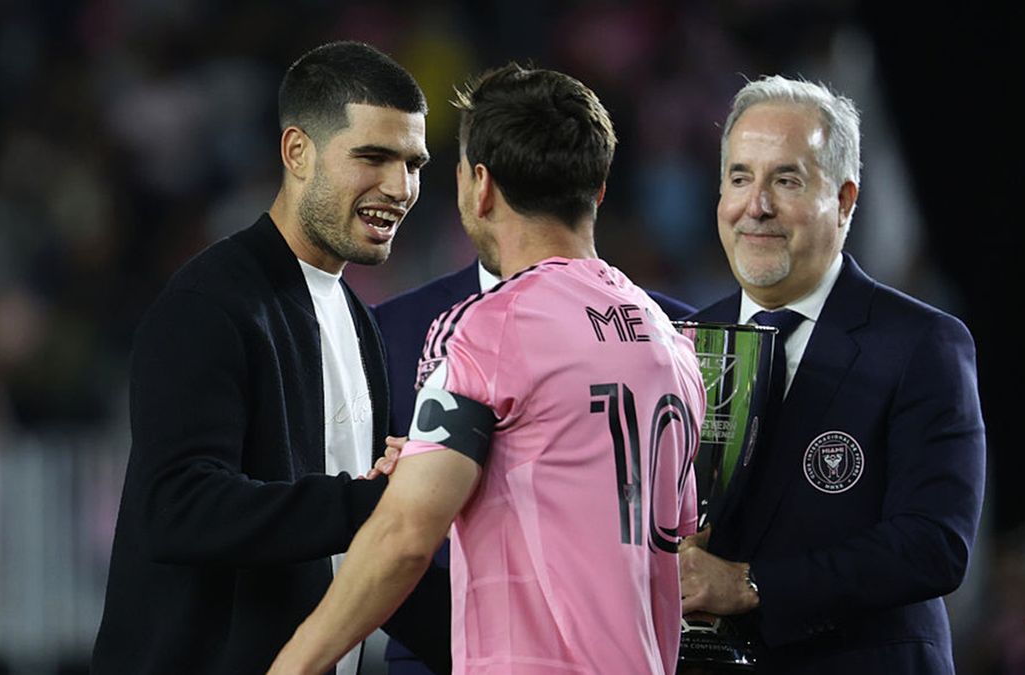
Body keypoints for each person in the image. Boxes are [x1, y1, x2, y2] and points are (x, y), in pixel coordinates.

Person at [270, 63, 705, 675]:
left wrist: (292, 666)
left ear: (480, 184)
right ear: (598, 190)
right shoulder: (670, 342)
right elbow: (668, 538)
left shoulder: (488, 327)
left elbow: (404, 538)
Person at [90, 41, 450, 675]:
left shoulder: (357, 320)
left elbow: (362, 551)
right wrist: (367, 504)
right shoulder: (208, 303)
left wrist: (509, 650)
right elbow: (179, 509)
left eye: (413, 163)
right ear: (297, 152)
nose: (400, 188)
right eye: (373, 157)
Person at [678, 75, 986, 674]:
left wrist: (751, 584)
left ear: (844, 200)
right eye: (739, 178)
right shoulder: (683, 343)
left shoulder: (921, 344)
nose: (756, 206)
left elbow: (934, 545)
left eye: (786, 180)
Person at [372, 197, 698, 675]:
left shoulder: (678, 331)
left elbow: (403, 534)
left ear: (476, 184)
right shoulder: (390, 326)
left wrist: (300, 658)